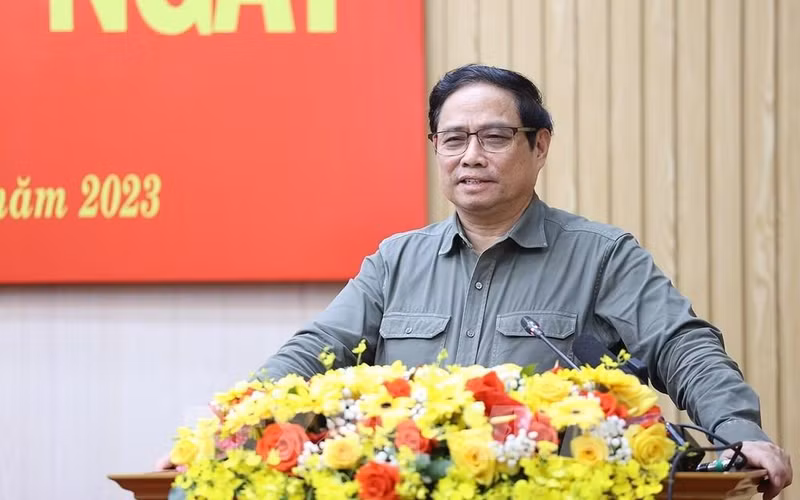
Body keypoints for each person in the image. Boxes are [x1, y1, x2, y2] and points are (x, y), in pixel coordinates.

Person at [174, 64, 793, 498]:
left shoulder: (603, 257)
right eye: (453, 139)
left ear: (539, 144)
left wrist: (739, 433)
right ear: (435, 147)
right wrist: (226, 420)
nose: (471, 155)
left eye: (495, 136)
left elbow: (683, 348)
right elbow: (313, 351)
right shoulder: (395, 261)